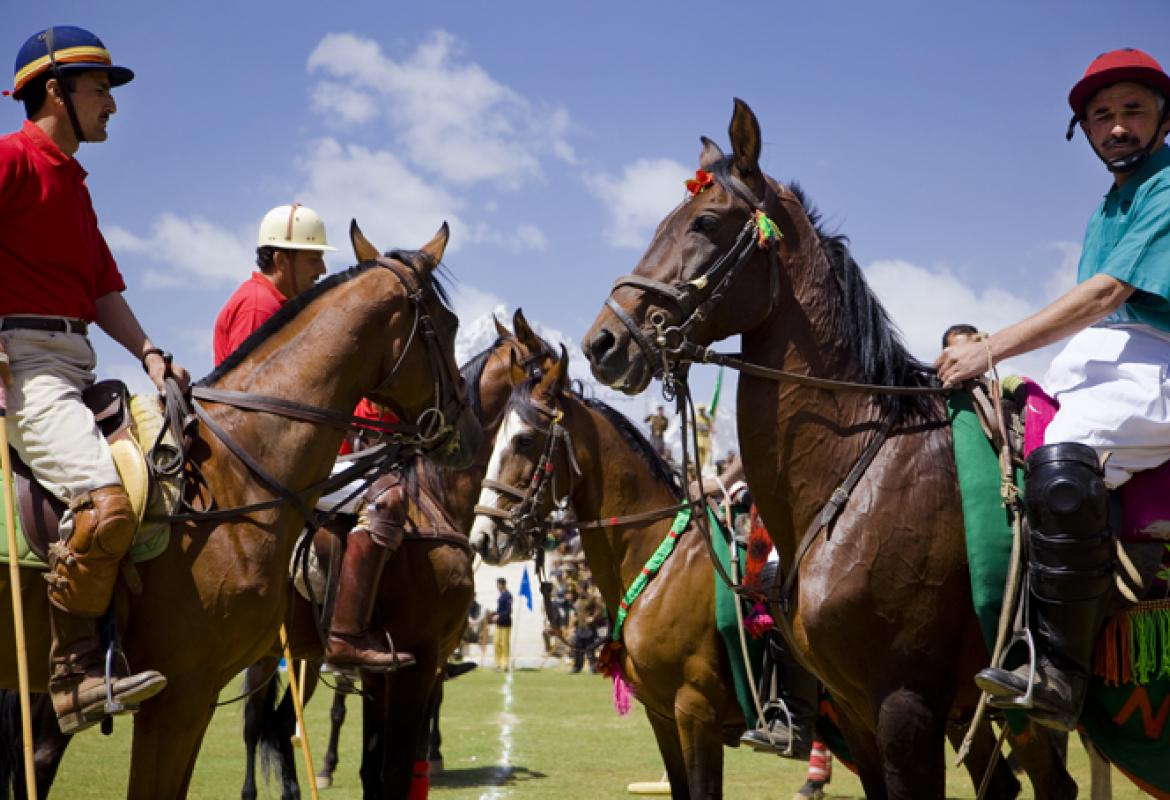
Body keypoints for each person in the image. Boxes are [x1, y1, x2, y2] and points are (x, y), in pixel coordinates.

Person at [935, 48, 1170, 731]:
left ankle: (1058, 673)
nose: (1117, 127)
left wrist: (991, 346)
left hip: (1160, 360)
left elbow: (1107, 294)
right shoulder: (1110, 205)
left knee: (1065, 449)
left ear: (1163, 116)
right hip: (1116, 358)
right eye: (1102, 117)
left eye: (1132, 110)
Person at [0, 26, 193, 734]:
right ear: (56, 91)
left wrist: (149, 353)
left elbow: (104, 289)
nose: (112, 105)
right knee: (105, 506)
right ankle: (74, 673)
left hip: (80, 362)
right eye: (101, 89)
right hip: (24, 363)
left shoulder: (75, 187)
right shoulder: (11, 161)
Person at [212, 204, 414, 672]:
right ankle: (346, 638)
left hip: (286, 461)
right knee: (385, 498)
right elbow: (261, 405)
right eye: (312, 260)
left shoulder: (276, 303)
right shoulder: (261, 304)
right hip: (270, 469)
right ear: (280, 259)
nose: (323, 270)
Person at [489, 577, 513, 670]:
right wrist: (493, 613)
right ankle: (498, 663)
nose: (497, 586)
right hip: (499, 623)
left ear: (502, 585)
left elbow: (508, 610)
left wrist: (499, 616)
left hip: (506, 623)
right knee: (496, 643)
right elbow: (500, 609)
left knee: (504, 644)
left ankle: (504, 664)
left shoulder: (508, 595)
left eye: (498, 584)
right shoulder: (501, 595)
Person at [695, 403, 712, 469]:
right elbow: (692, 426)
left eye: (702, 410)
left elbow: (710, 427)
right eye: (700, 410)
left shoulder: (707, 419)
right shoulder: (696, 418)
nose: (701, 411)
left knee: (706, 454)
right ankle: (699, 467)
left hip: (706, 438)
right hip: (699, 437)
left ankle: (704, 467)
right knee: (699, 453)